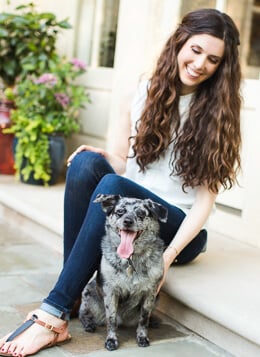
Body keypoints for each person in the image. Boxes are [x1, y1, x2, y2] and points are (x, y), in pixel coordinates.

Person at [0, 8, 241, 357]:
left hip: (177, 228)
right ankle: (71, 296)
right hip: (132, 210)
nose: (201, 63)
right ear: (179, 43)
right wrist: (98, 158)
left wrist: (167, 258)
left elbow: (205, 201)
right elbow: (119, 165)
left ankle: (52, 314)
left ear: (222, 67)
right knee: (85, 164)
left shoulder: (219, 114)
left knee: (116, 186)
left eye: (213, 59)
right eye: (196, 50)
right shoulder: (142, 92)